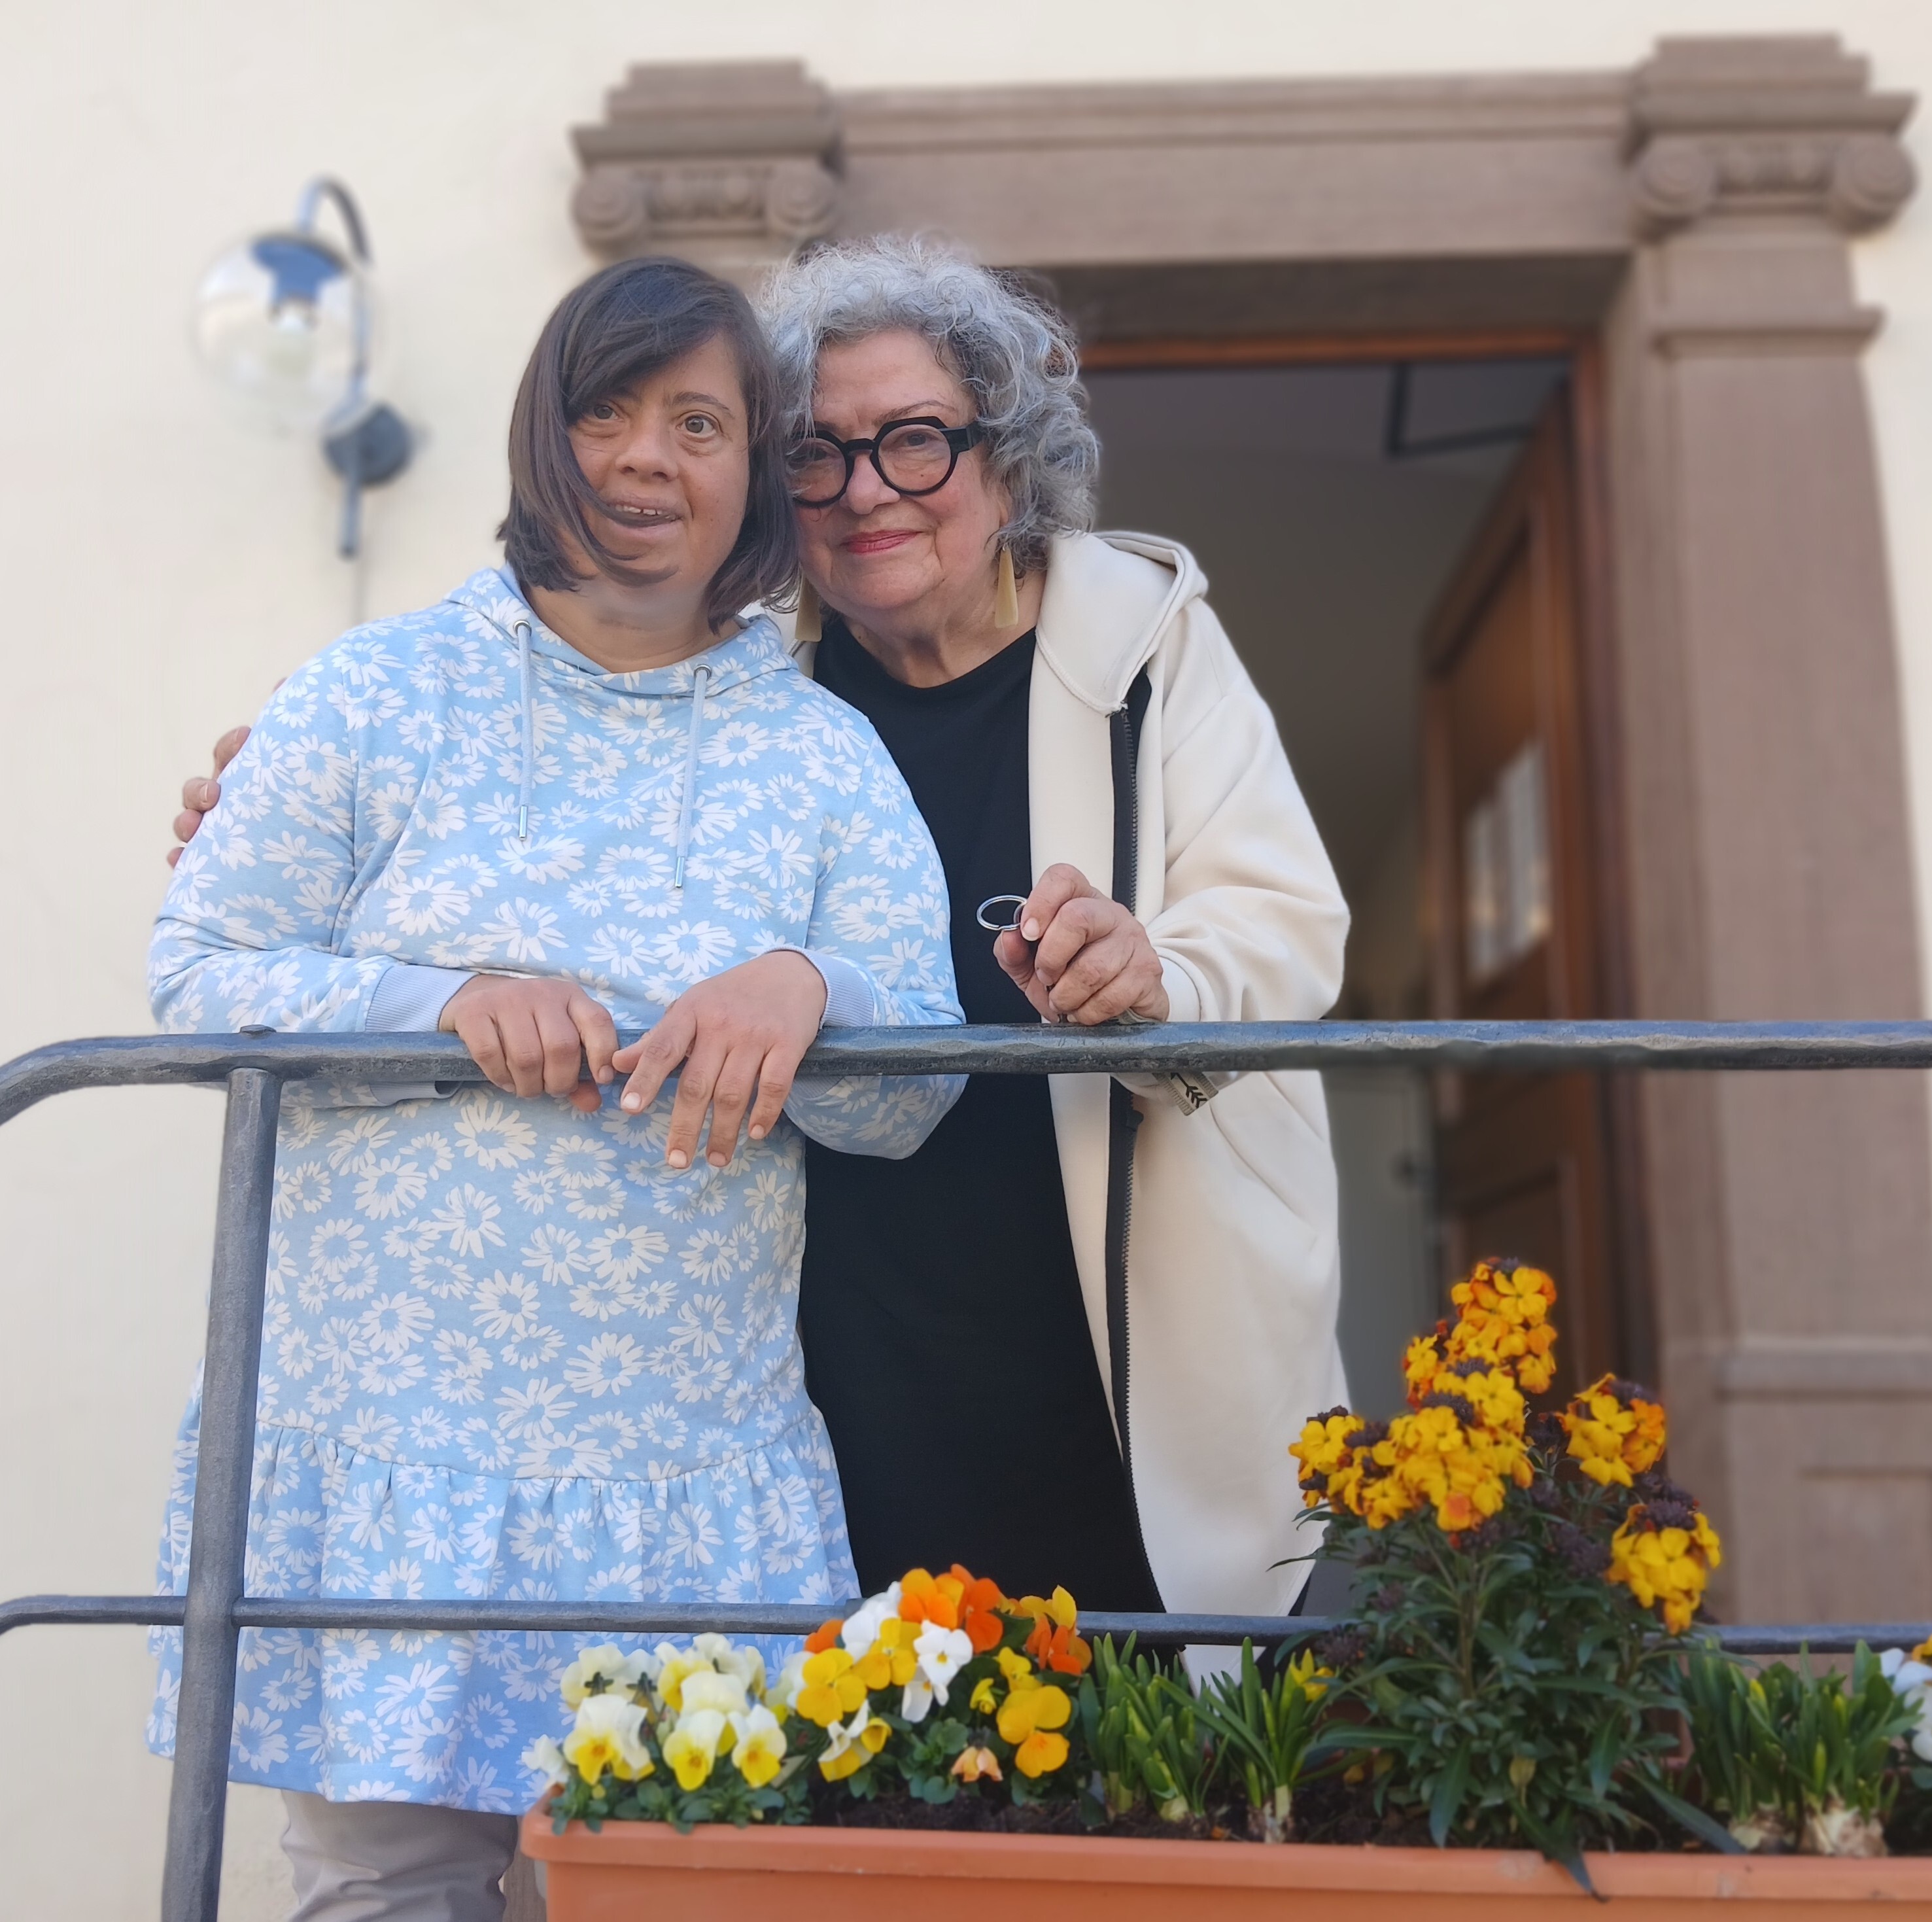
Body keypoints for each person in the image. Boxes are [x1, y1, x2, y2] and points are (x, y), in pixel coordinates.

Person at [172, 235, 1350, 1638]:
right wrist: (290, 819)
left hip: (1101, 1293)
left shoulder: (1138, 651)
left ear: (1008, 460)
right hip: (839, 1320)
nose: (866, 488)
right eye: (814, 452)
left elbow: (1283, 924)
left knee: (1150, 1697)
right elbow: (374, 865)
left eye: (914, 439)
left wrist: (1154, 974)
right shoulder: (736, 662)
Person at [150, 254, 961, 1917]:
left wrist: (812, 989)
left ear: (755, 467)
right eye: (606, 411)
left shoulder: (820, 754)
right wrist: (444, 1004)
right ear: (543, 433)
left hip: (683, 1481)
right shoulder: (373, 693)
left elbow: (914, 1093)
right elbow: (201, 970)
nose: (646, 456)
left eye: (698, 423)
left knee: (673, 1897)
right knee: (383, 1889)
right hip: (392, 1459)